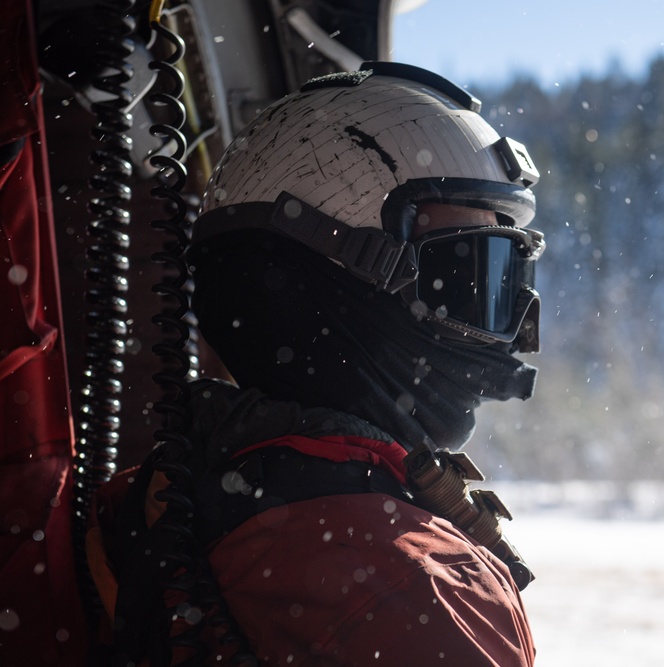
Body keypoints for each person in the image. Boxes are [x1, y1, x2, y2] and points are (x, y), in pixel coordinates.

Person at [84, 62, 545, 666]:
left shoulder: (155, 499)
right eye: (464, 275)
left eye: (505, 282)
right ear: (328, 279)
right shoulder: (412, 589)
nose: (515, 335)